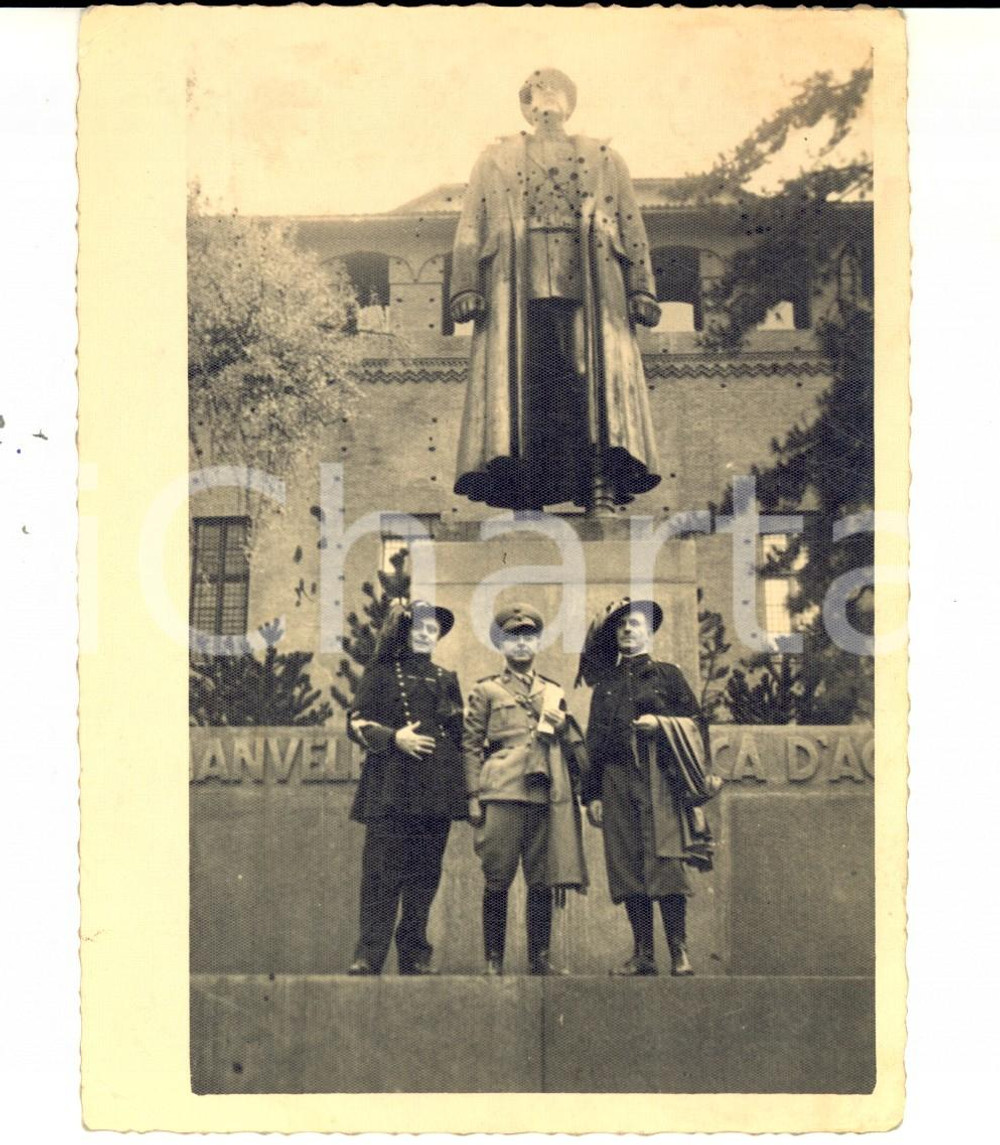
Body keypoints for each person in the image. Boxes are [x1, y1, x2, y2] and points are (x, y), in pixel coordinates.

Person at [449, 67, 662, 515]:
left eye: (553, 91)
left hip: (590, 278)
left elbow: (631, 224)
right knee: (528, 382)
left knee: (589, 380)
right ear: (526, 107)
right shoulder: (494, 159)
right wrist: (464, 285)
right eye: (535, 93)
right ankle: (527, 490)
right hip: (515, 280)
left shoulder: (604, 157)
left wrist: (642, 287)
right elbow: (470, 225)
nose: (544, 100)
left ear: (569, 102)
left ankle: (599, 484)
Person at [579, 598, 721, 976]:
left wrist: (662, 725)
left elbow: (696, 723)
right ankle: (643, 954)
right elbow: (594, 741)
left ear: (649, 631)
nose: (628, 629)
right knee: (627, 866)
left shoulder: (668, 676)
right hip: (616, 781)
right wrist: (591, 794)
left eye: (636, 623)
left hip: (661, 779)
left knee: (667, 863)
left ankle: (679, 952)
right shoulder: (605, 685)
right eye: (621, 625)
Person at [464, 603, 588, 975]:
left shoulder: (552, 690)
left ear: (537, 642)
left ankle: (540, 959)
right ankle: (493, 961)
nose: (521, 644)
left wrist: (563, 724)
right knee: (497, 878)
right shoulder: (487, 690)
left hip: (542, 793)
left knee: (541, 879)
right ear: (501, 644)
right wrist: (472, 796)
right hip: (500, 791)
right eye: (513, 638)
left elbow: (567, 743)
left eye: (528, 637)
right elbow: (469, 744)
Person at [345, 600, 467, 975]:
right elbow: (355, 723)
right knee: (382, 874)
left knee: (424, 877)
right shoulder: (381, 674)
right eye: (419, 629)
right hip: (391, 788)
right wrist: (394, 737)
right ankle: (369, 955)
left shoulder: (447, 678)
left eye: (432, 630)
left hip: (435, 791)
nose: (426, 635)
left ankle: (415, 954)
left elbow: (461, 734)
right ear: (407, 632)